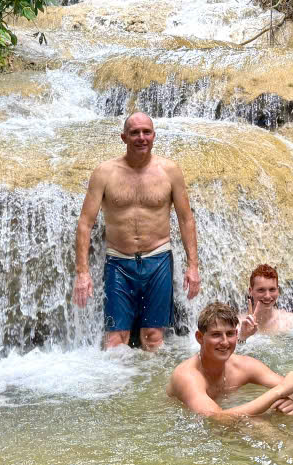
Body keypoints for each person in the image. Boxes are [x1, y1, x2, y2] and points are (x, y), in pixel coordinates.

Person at [73, 112, 200, 351]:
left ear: (154, 136)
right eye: (134, 133)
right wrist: (82, 273)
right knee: (115, 339)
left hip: (159, 259)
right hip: (118, 263)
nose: (141, 138)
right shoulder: (105, 173)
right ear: (123, 137)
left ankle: (151, 389)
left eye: (146, 132)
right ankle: (114, 388)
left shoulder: (170, 171)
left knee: (153, 337)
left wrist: (193, 267)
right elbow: (85, 223)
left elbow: (186, 219)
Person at [167, 302, 293, 420]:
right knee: (257, 425)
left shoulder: (243, 365)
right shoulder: (186, 376)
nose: (224, 342)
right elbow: (216, 418)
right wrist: (278, 392)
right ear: (199, 337)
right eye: (216, 335)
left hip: (227, 412)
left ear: (236, 334)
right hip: (188, 432)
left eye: (229, 334)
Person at [238, 264, 293, 340]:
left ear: (278, 291)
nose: (267, 296)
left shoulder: (292, 323)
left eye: (272, 289)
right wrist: (242, 337)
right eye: (261, 290)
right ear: (250, 291)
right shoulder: (238, 325)